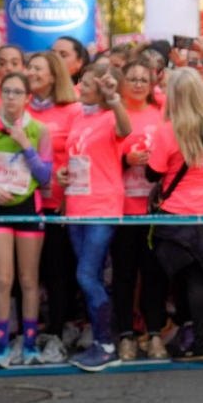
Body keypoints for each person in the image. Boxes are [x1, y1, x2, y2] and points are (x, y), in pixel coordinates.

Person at [148, 67, 203, 361]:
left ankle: (202, 346)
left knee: (196, 281)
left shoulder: (168, 131)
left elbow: (153, 173)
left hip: (184, 216)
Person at [0, 71, 54, 368]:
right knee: (3, 278)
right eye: (6, 91)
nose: (10, 97)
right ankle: (1, 346)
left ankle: (30, 344)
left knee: (28, 279)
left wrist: (26, 146)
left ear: (27, 98)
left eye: (17, 92)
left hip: (29, 209)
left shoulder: (39, 130)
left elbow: (45, 176)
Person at [57, 63, 131, 372]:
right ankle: (101, 341)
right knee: (91, 277)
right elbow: (78, 158)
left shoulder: (110, 115)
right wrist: (63, 175)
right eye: (80, 83)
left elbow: (126, 130)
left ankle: (106, 345)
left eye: (86, 84)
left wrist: (115, 99)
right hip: (76, 207)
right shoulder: (78, 116)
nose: (80, 88)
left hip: (103, 207)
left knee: (87, 276)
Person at [112, 57, 168, 361]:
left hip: (154, 208)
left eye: (142, 79)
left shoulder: (160, 113)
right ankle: (126, 336)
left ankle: (155, 334)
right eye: (131, 78)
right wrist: (125, 161)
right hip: (122, 207)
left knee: (154, 275)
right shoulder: (115, 114)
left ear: (151, 84)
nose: (137, 84)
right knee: (123, 275)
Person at [27, 50, 81, 360]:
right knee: (33, 275)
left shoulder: (73, 111)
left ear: (53, 74)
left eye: (37, 67)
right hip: (27, 204)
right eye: (30, 67)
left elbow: (80, 154)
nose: (30, 72)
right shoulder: (20, 109)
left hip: (61, 204)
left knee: (59, 272)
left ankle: (60, 332)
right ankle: (36, 331)